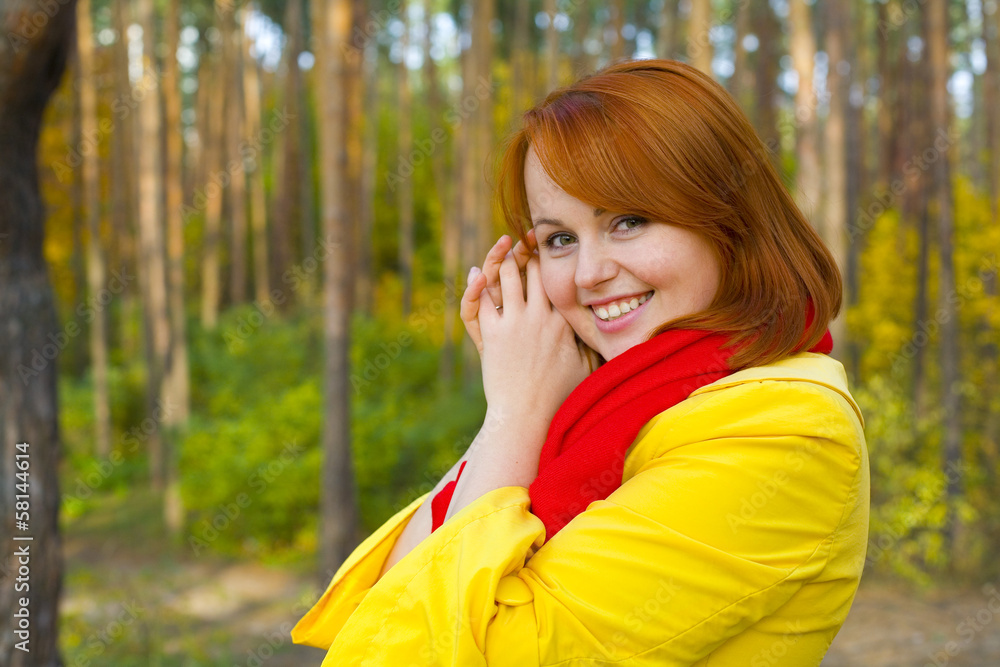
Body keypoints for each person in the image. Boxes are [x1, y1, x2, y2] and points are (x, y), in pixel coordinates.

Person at [291, 58, 869, 666]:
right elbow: (385, 604)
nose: (590, 274)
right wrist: (519, 413)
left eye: (629, 221)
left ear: (728, 221)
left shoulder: (787, 427)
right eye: (560, 239)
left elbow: (430, 651)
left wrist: (516, 415)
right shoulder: (610, 402)